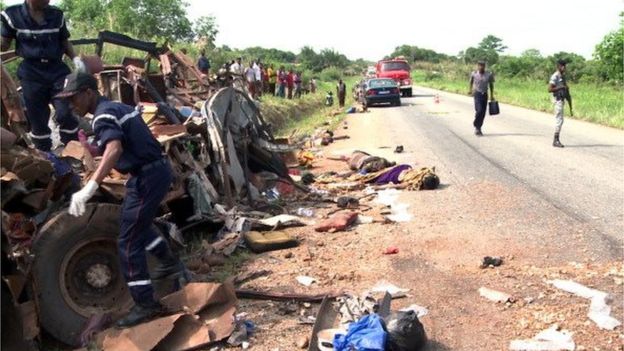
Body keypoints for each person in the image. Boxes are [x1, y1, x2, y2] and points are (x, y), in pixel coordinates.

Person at [57, 72, 187, 328]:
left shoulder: (103, 115)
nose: (71, 104)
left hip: (148, 176)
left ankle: (146, 304)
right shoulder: (114, 107)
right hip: (150, 172)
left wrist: (90, 187)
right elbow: (123, 141)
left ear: (88, 93)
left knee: (128, 243)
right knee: (135, 222)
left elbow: (115, 149)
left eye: (74, 98)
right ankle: (170, 263)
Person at [0, 0, 86, 151]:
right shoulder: (12, 15)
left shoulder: (56, 15)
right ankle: (46, 157)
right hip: (31, 72)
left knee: (65, 112)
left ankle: (73, 152)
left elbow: (64, 41)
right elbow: (4, 43)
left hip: (57, 70)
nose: (48, 0)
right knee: (37, 117)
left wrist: (75, 59)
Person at [548, 60, 571, 148]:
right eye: (562, 66)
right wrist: (560, 87)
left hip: (561, 100)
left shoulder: (563, 76)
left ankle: (556, 139)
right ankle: (556, 140)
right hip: (557, 100)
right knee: (559, 119)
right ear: (558, 66)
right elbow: (549, 89)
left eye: (565, 66)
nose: (564, 67)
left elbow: (566, 90)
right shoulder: (555, 76)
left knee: (560, 120)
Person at [468, 60, 495, 136]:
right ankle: (476, 124)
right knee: (479, 110)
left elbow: (491, 85)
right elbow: (471, 82)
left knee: (483, 113)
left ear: (485, 66)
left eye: (482, 65)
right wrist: (470, 90)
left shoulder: (489, 74)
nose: (481, 67)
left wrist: (492, 95)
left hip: (485, 94)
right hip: (477, 94)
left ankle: (478, 128)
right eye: (479, 65)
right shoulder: (474, 73)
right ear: (477, 66)